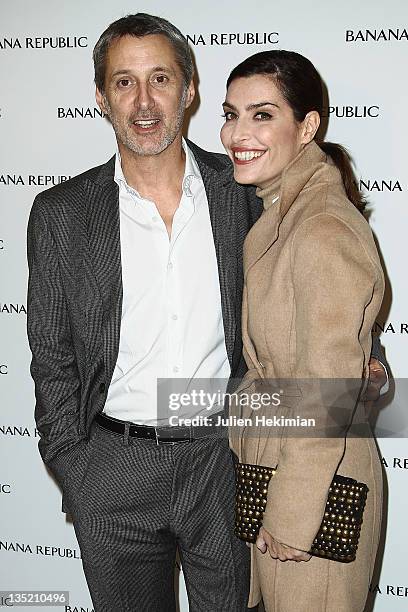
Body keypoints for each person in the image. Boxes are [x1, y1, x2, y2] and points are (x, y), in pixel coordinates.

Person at [26, 14, 386, 612]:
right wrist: (76, 468)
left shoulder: (242, 189)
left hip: (226, 459)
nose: (144, 102)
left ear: (189, 91)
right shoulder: (62, 213)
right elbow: (51, 357)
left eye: (161, 78)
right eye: (124, 82)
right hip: (113, 471)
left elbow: (315, 289)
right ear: (100, 97)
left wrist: (367, 362)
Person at [221, 50, 385, 611]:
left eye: (262, 115)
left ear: (308, 125)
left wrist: (293, 515)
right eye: (231, 113)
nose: (237, 133)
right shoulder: (285, 212)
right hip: (280, 463)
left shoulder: (319, 226)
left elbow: (328, 386)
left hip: (316, 483)